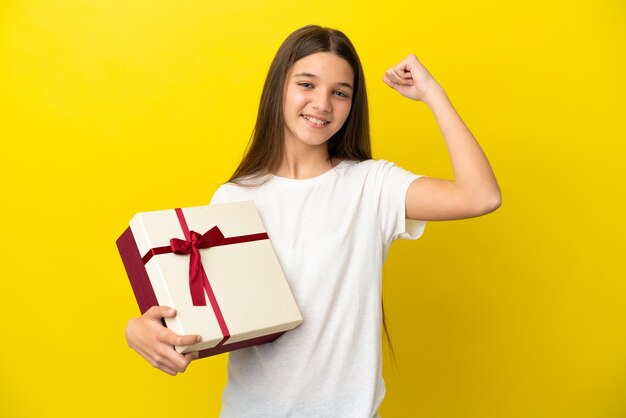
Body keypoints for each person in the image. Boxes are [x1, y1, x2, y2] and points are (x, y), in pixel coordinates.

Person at [125, 25, 501, 417]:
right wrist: (137, 330)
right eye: (307, 84)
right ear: (279, 89)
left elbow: (481, 196)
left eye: (340, 92)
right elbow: (197, 316)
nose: (322, 103)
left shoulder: (371, 186)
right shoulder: (233, 198)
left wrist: (432, 94)